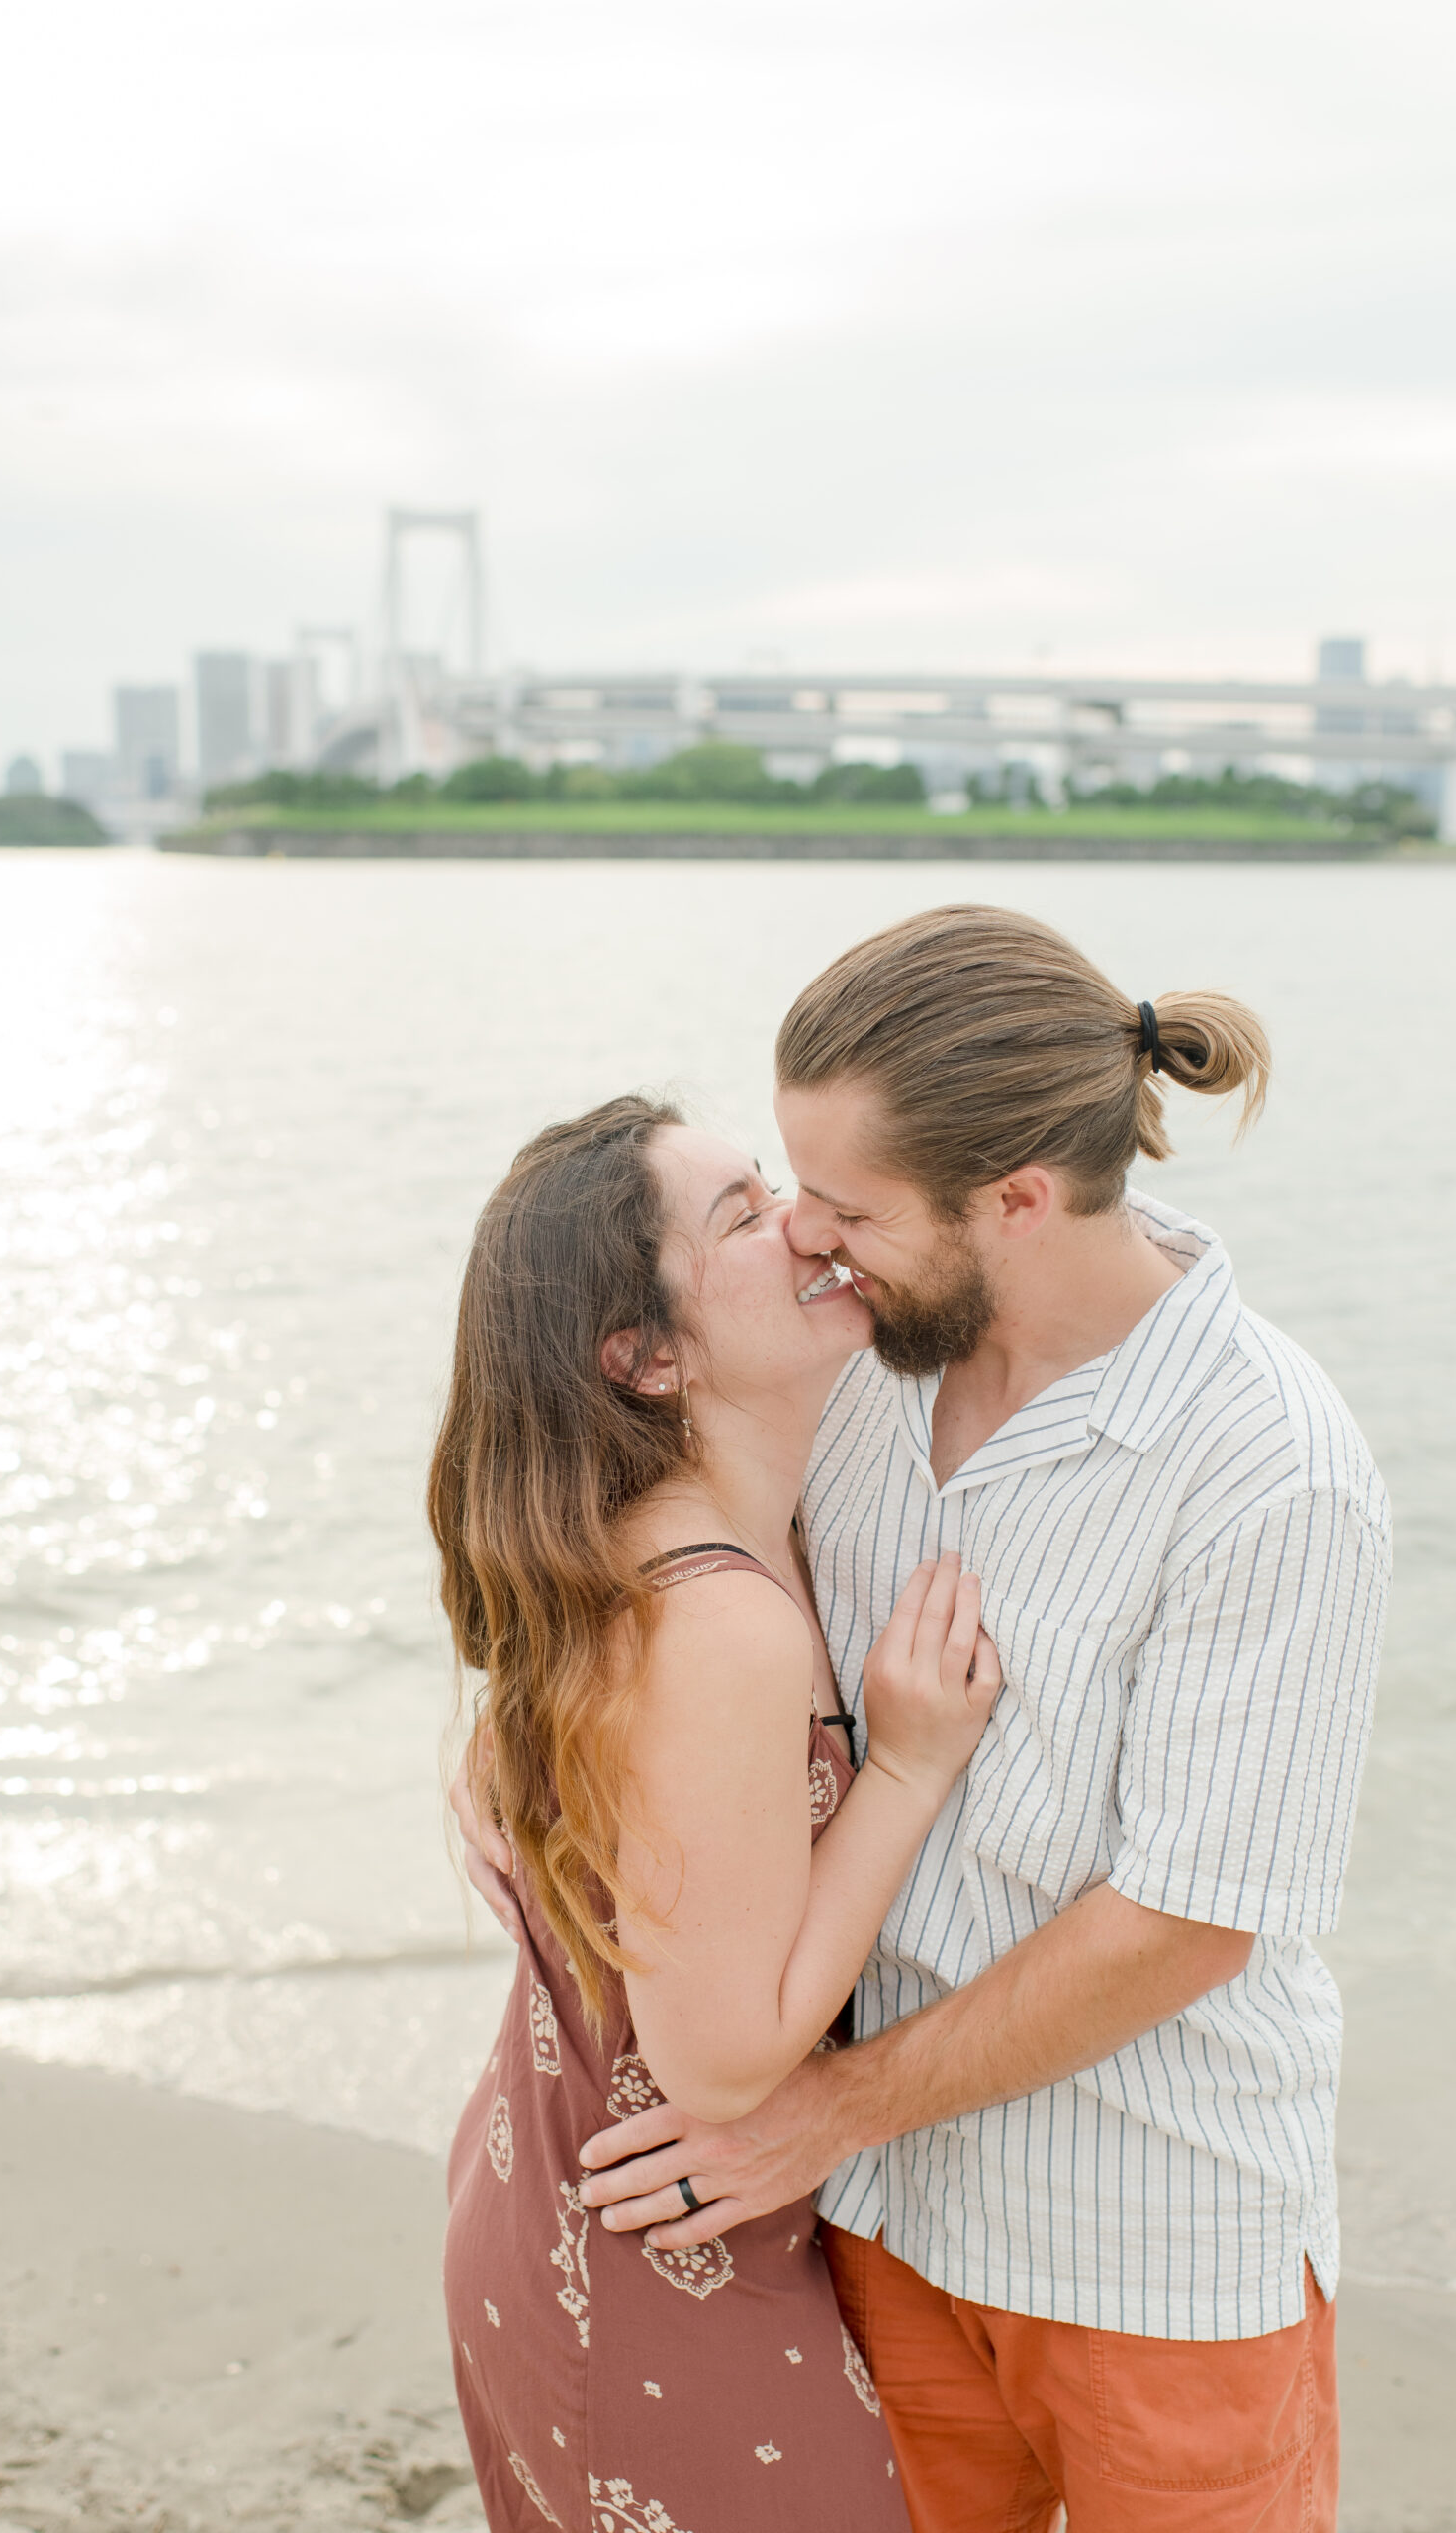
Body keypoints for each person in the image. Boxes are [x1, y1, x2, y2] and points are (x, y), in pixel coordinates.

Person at [528, 906, 1392, 2533]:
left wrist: (818, 2115)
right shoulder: (852, 1364)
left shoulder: (1271, 1468)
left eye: (847, 1205)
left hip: (1148, 2237)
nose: (805, 1235)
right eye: (789, 1190)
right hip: (877, 2218)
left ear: (1016, 1199)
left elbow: (1191, 1921)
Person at [429, 1091, 1001, 2533]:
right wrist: (911, 1769)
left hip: (566, 2200)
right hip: (644, 2261)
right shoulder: (714, 1622)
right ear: (644, 1356)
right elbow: (724, 2066)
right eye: (744, 1213)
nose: (806, 1222)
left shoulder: (650, 1546)